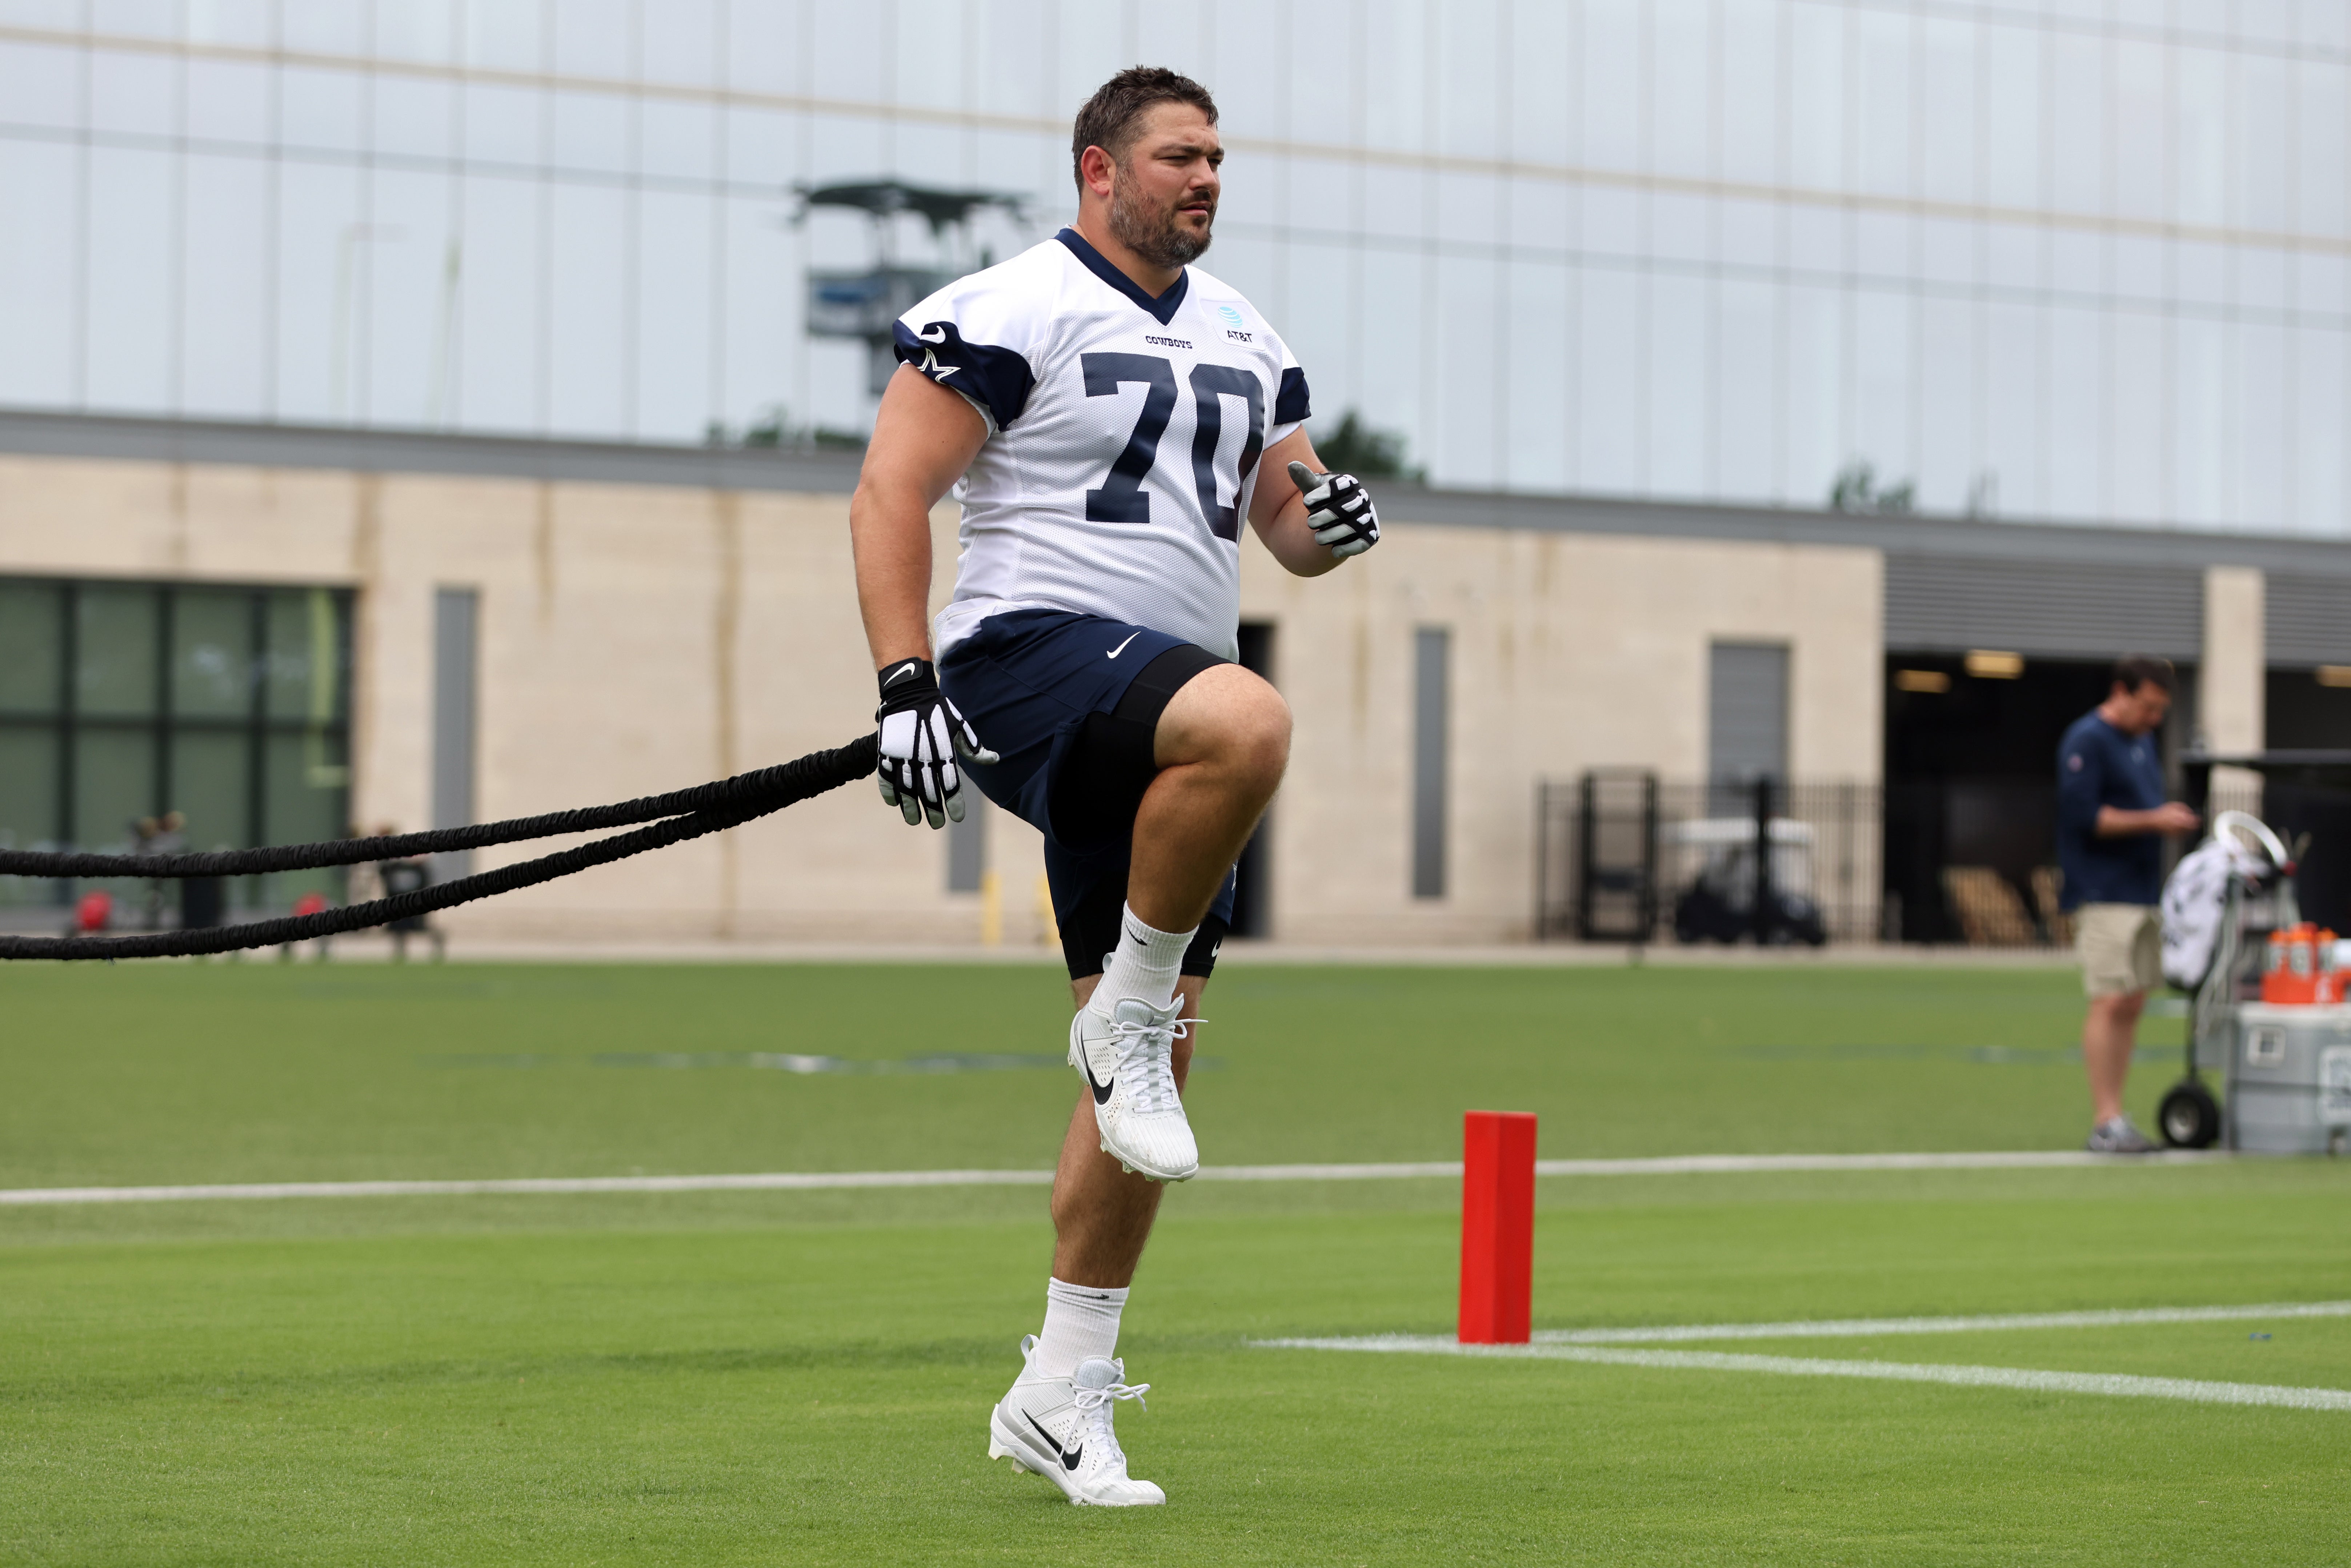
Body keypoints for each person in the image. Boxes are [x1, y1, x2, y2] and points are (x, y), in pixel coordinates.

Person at [847, 66, 1379, 1507]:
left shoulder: (1247, 333)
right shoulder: (1015, 301)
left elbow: (1284, 524)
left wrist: (1330, 524)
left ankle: (1060, 1386)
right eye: (1177, 156)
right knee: (1253, 727)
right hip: (1027, 658)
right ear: (1098, 169)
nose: (1205, 178)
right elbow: (891, 487)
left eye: (1216, 157)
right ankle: (1130, 1009)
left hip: (1156, 712)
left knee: (1148, 1087)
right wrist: (904, 683)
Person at [2055, 655, 2200, 1153]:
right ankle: (2104, 1121)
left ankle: (2118, 1113)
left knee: (2134, 999)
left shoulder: (2140, 742)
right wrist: (2154, 820)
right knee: (2109, 997)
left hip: (2140, 890)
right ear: (2120, 691)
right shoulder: (2087, 739)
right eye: (2148, 706)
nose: (2154, 718)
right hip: (2101, 889)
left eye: (2160, 709)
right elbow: (2085, 817)